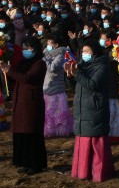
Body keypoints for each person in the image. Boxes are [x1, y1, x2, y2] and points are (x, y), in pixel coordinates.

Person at [66, 41, 116, 182]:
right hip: (82, 107)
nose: (85, 54)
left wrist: (77, 74)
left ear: (95, 52)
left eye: (88, 51)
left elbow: (92, 84)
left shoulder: (102, 67)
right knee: (83, 139)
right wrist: (70, 75)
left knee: (95, 141)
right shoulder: (82, 65)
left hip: (95, 109)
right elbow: (76, 84)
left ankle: (98, 172)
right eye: (83, 51)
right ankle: (82, 171)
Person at [1, 37, 48, 174]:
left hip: (31, 103)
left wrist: (10, 70)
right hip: (20, 101)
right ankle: (23, 162)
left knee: (31, 133)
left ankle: (35, 164)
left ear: (35, 48)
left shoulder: (39, 64)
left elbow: (27, 78)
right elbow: (16, 78)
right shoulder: (23, 62)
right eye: (24, 48)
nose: (25, 51)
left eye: (28, 48)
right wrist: (7, 73)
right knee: (21, 133)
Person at [41, 35, 74, 138]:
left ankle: (58, 130)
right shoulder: (47, 53)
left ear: (56, 45)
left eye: (50, 43)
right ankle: (49, 128)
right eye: (48, 42)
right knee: (48, 111)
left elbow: (52, 68)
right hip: (47, 84)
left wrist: (45, 59)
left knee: (56, 111)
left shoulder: (60, 54)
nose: (48, 44)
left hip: (56, 86)